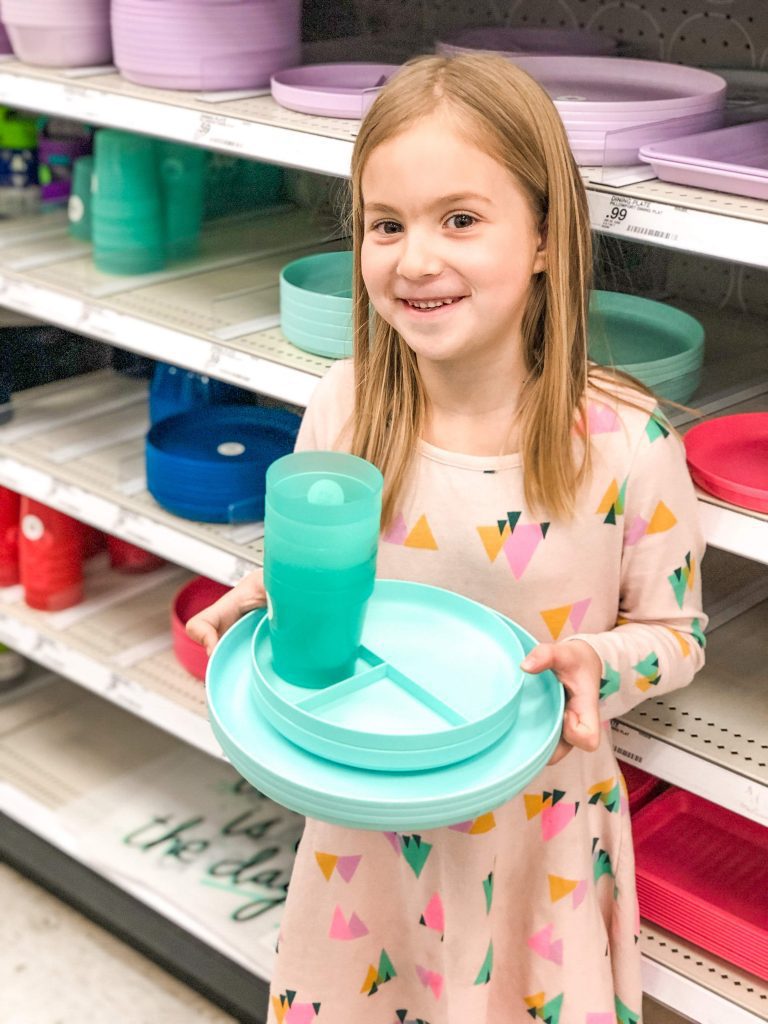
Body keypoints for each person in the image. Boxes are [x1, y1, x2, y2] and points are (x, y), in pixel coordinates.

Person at [188, 53, 707, 1024]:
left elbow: (679, 631)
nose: (414, 259)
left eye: (460, 219)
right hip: (367, 842)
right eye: (386, 224)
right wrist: (269, 599)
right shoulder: (343, 409)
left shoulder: (627, 443)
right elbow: (307, 572)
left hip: (533, 848)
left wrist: (602, 660)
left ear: (547, 234)